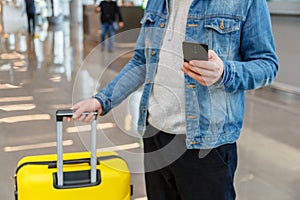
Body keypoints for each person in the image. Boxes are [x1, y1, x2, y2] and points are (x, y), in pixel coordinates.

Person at [71, 0, 279, 199]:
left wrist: (224, 72)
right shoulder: (157, 2)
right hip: (155, 136)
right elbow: (141, 60)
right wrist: (102, 100)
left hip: (206, 145)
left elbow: (267, 64)